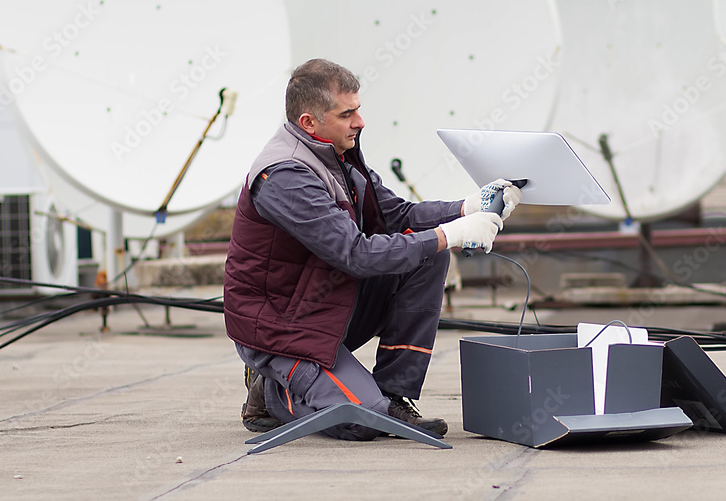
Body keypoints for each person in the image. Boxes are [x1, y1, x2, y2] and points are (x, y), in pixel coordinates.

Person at [224, 58, 522, 440]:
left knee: (427, 254)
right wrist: (452, 233)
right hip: (280, 324)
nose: (360, 122)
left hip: (320, 304)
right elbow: (355, 254)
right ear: (308, 123)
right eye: (347, 113)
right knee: (361, 421)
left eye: (358, 110)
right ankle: (270, 389)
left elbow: (399, 215)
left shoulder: (337, 156)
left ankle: (393, 393)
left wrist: (468, 208)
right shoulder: (285, 175)